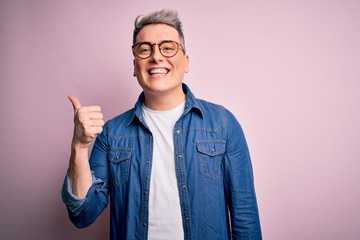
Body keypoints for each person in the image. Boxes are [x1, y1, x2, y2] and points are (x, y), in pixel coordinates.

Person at [62, 9, 262, 240]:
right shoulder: (112, 133)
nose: (156, 57)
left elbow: (245, 216)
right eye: (145, 49)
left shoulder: (223, 124)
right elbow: (82, 214)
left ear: (185, 62)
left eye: (168, 48)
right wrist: (78, 146)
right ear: (135, 65)